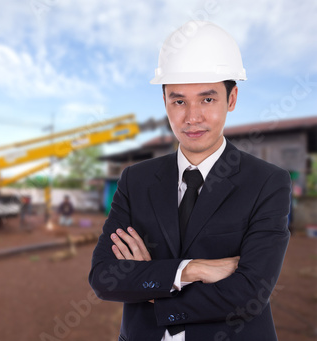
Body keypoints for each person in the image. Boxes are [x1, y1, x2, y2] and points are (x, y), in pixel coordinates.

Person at [89, 21, 291, 341]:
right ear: (165, 102)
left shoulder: (267, 183)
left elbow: (250, 293)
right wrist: (190, 270)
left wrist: (152, 283)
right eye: (179, 100)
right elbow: (103, 278)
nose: (192, 117)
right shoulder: (136, 180)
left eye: (207, 99)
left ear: (232, 98)